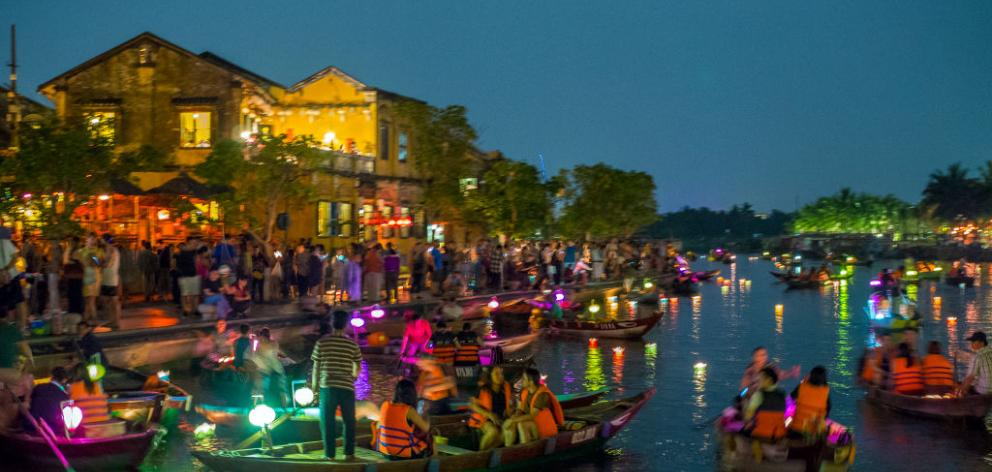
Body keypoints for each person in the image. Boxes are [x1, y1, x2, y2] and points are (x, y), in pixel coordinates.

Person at [310, 310, 363, 461]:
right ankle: (349, 453)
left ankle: (329, 455)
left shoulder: (322, 342)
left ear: (330, 324)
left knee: (327, 421)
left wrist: (314, 389)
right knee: (349, 420)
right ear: (346, 325)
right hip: (346, 387)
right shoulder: (352, 344)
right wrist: (353, 377)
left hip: (328, 386)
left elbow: (316, 368)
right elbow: (358, 365)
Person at [502, 368, 562, 446]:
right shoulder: (524, 391)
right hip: (533, 426)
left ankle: (526, 450)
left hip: (544, 429)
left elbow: (532, 415)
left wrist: (513, 420)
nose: (521, 380)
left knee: (521, 424)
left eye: (524, 378)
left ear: (530, 382)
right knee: (511, 423)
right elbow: (520, 408)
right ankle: (508, 449)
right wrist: (515, 415)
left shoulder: (542, 395)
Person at [374, 379, 431, 460]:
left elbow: (379, 426)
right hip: (402, 454)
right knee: (430, 441)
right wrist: (426, 412)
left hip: (384, 452)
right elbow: (426, 428)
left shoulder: (385, 405)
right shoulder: (408, 410)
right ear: (412, 394)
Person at [468, 366, 513, 450]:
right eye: (496, 374)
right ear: (490, 375)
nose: (500, 376)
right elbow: (472, 405)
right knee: (493, 431)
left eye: (501, 373)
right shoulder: (482, 388)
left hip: (500, 419)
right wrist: (489, 414)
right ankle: (480, 454)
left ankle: (488, 453)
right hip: (484, 420)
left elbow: (511, 405)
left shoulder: (506, 387)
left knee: (508, 432)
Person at [743, 367, 787, 441]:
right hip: (779, 433)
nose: (758, 382)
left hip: (762, 433)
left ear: (769, 380)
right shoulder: (783, 394)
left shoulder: (758, 395)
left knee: (740, 431)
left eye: (760, 379)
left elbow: (747, 417)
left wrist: (746, 402)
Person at [789, 366, 831, 435]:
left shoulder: (802, 386)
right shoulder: (825, 391)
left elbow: (792, 397)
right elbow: (828, 409)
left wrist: (804, 381)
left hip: (796, 428)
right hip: (813, 432)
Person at [28, 367, 70, 434]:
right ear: (64, 380)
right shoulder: (64, 396)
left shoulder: (39, 387)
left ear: (52, 376)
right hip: (53, 430)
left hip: (33, 427)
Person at [98, 235, 121, 329]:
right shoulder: (108, 250)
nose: (100, 241)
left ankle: (115, 322)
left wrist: (96, 261)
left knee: (113, 301)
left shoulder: (112, 251)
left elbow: (106, 264)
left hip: (111, 279)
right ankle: (112, 321)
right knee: (108, 301)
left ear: (105, 240)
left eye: (101, 239)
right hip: (107, 278)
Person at [960, 331, 992, 396]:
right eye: (971, 341)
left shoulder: (977, 356)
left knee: (967, 389)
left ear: (982, 343)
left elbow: (970, 378)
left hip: (984, 392)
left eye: (974, 341)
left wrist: (961, 392)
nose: (971, 344)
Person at [175, 240, 200, 317]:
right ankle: (186, 309)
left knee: (195, 294)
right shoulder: (181, 253)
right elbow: (177, 265)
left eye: (196, 244)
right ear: (189, 244)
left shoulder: (194, 252)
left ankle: (194, 309)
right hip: (184, 276)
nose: (195, 245)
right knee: (185, 294)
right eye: (194, 244)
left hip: (193, 275)